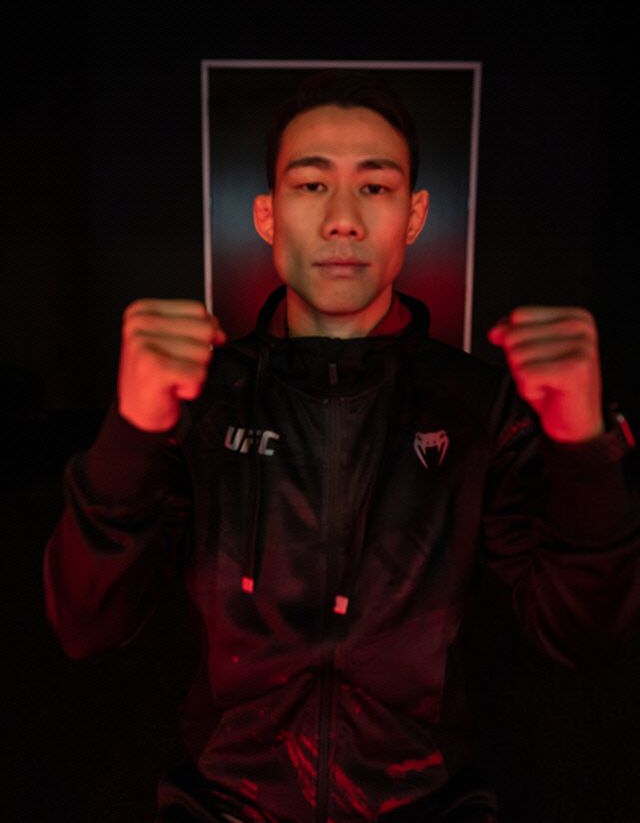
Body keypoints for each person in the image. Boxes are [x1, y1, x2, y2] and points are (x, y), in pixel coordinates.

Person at [44, 71, 639, 822]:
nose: (344, 220)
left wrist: (584, 452)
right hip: (227, 805)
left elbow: (583, 634)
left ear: (414, 215)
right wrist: (130, 431)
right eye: (312, 184)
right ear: (267, 213)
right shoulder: (202, 398)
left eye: (375, 187)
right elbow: (86, 622)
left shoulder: (478, 406)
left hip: (424, 804)